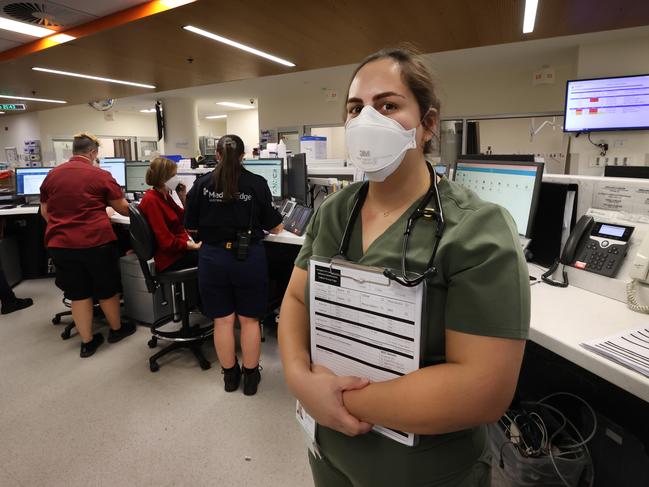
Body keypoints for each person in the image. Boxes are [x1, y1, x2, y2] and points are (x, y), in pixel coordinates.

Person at [278, 47, 530, 486]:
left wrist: (336, 400)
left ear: (428, 124)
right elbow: (297, 298)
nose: (366, 121)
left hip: (422, 470)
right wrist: (301, 381)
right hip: (328, 448)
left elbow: (483, 389)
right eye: (355, 109)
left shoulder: (477, 230)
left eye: (388, 105)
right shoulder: (335, 212)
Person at [184, 134, 284, 395]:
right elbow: (274, 225)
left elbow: (190, 225)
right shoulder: (257, 184)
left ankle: (230, 377)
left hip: (212, 259)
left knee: (223, 321)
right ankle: (250, 378)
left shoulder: (202, 184)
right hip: (247, 257)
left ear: (216, 155)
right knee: (250, 321)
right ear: (243, 156)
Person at [40, 132, 136, 358]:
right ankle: (116, 330)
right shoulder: (100, 175)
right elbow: (123, 208)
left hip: (60, 244)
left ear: (73, 151)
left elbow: (45, 211)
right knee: (106, 289)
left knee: (78, 293)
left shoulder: (52, 175)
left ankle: (87, 342)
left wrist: (64, 226)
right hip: (95, 242)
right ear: (92, 152)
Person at [137, 157, 201, 273]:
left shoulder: (164, 195)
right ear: (163, 177)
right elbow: (166, 242)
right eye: (173, 175)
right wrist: (193, 246)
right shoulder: (151, 200)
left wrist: (183, 197)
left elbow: (185, 220)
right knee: (211, 259)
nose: (177, 179)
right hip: (170, 259)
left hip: (179, 250)